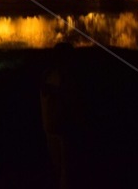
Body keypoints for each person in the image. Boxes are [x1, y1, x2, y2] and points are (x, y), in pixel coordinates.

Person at [39, 41, 86, 189]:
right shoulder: (62, 76)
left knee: (59, 168)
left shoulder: (48, 74)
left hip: (53, 127)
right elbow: (69, 100)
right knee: (65, 169)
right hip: (62, 128)